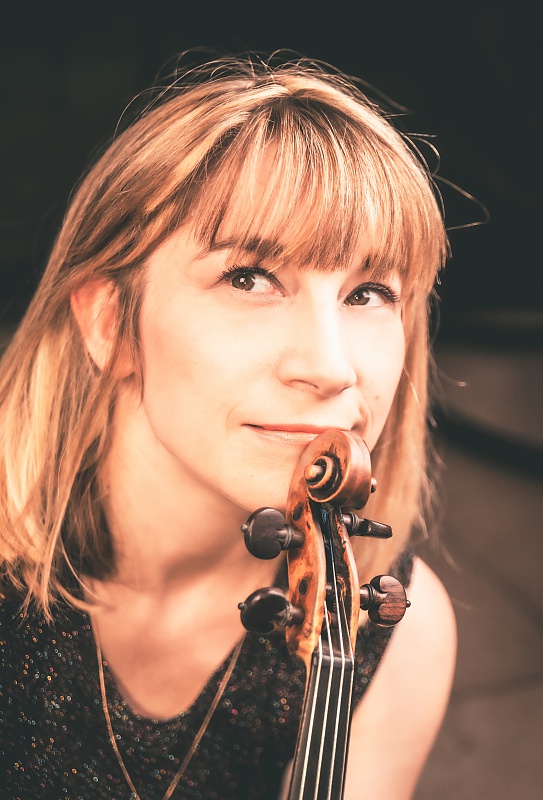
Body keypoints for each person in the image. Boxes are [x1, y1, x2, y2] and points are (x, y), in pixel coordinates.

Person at [0, 55, 456, 799]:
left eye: (369, 292)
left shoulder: (397, 626)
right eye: (249, 278)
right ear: (111, 323)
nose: (330, 367)